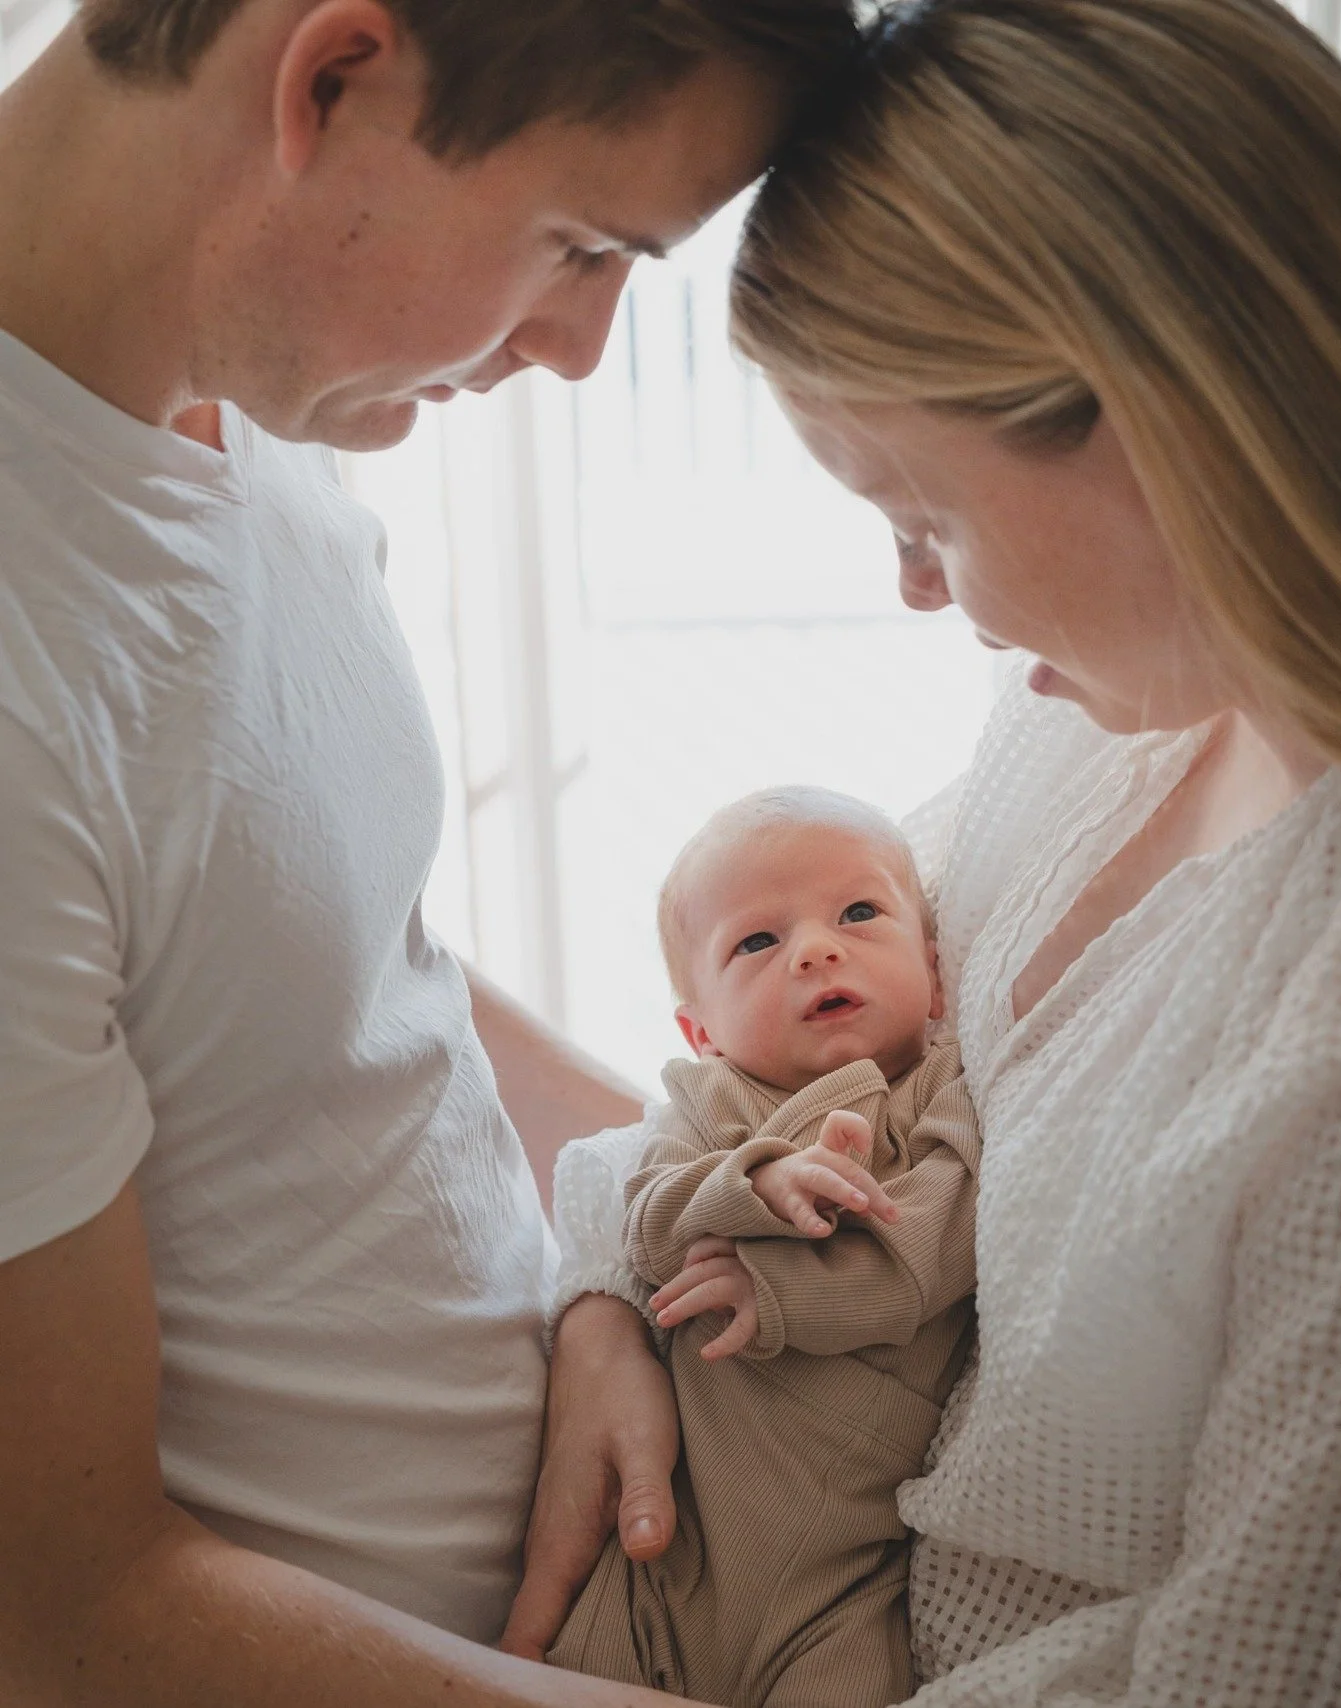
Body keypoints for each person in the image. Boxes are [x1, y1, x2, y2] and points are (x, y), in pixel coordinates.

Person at [0, 0, 864, 1702]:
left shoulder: (247, 396)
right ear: (330, 81)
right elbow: (66, 1612)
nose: (583, 348)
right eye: (583, 244)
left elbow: (326, 975)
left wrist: (622, 1259)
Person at [516, 1, 1341, 1702]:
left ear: (1156, 418)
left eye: (924, 518)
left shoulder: (1328, 1022)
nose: (916, 594)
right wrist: (605, 1302)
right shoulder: (1092, 732)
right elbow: (747, 1072)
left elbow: (1248, 1661)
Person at [548, 787, 979, 1705]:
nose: (816, 949)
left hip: (838, 1588)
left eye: (857, 913)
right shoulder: (709, 1107)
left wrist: (778, 1290)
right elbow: (648, 1227)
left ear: (934, 975)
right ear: (701, 1032)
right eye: (756, 942)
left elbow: (940, 1242)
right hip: (663, 1568)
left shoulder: (943, 1095)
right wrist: (756, 1179)